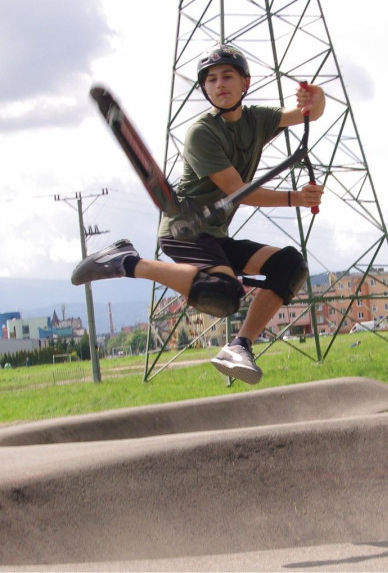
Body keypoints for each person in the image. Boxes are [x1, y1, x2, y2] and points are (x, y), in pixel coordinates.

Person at [71, 44, 325, 385]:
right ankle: (126, 262)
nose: (220, 84)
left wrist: (316, 97)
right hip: (185, 230)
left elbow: (309, 113)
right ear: (205, 89)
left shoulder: (257, 120)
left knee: (290, 265)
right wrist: (295, 197)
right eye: (211, 80)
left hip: (215, 234)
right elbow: (238, 190)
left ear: (245, 83)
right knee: (223, 294)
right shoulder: (202, 133)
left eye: (227, 76)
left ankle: (239, 347)